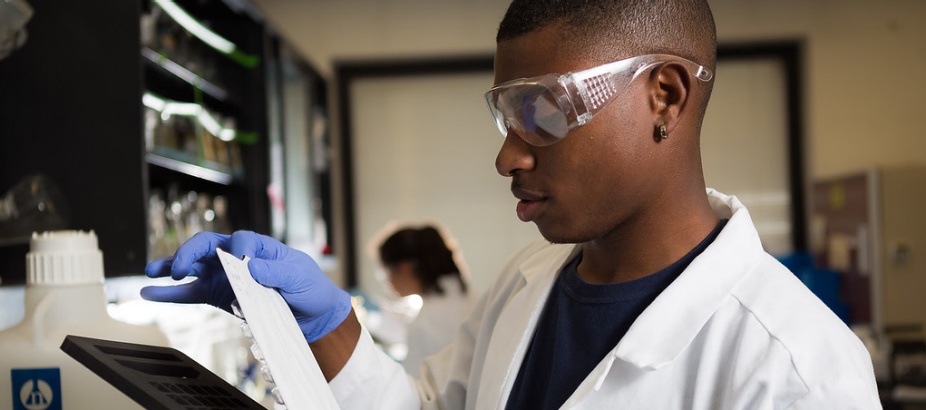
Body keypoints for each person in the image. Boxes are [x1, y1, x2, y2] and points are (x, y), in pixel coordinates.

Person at [141, 0, 882, 408]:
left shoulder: (799, 372)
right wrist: (326, 323)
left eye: (546, 111)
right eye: (506, 115)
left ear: (664, 97)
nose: (508, 156)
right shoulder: (527, 283)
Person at [374, 224, 476, 377]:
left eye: (386, 272)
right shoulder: (471, 300)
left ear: (405, 268)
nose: (388, 282)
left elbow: (416, 391)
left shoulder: (427, 322)